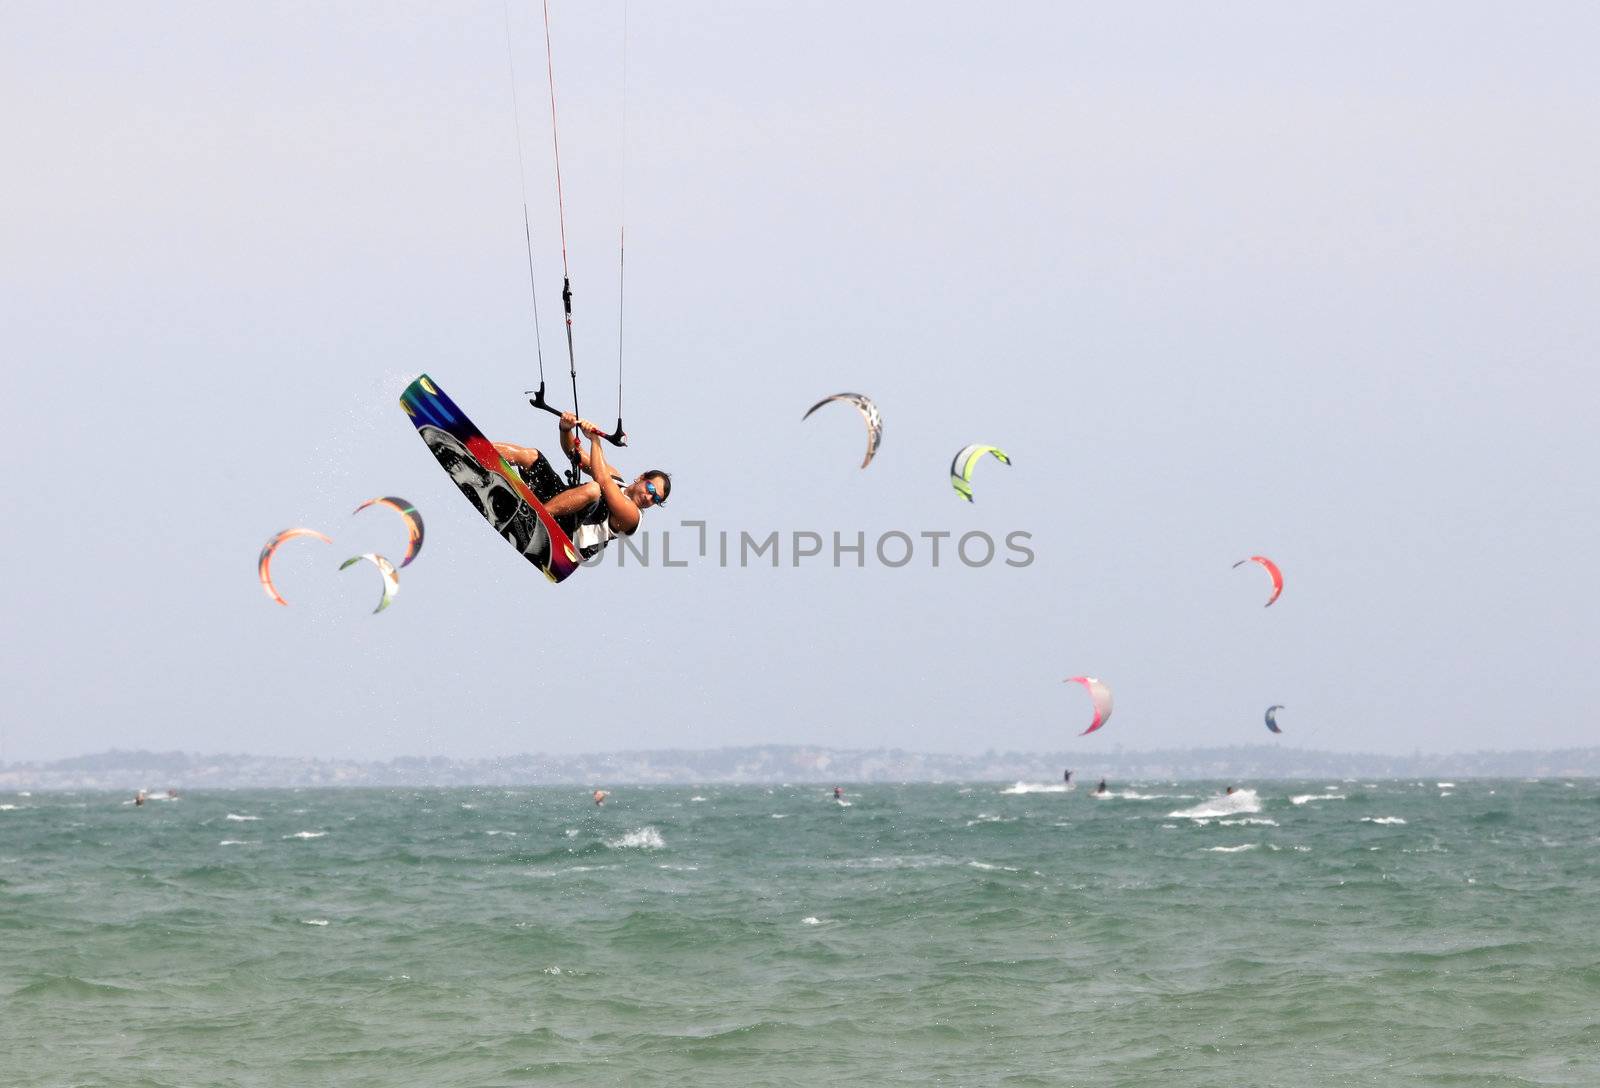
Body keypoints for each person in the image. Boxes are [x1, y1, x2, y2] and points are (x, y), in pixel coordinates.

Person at [495, 413, 671, 560]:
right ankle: (478, 450)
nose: (649, 498)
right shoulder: (615, 477)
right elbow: (574, 454)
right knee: (530, 456)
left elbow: (602, 481)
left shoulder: (632, 517)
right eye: (651, 490)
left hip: (565, 539)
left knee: (594, 489)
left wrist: (595, 439)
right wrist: (566, 429)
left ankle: (535, 519)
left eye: (655, 499)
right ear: (642, 478)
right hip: (559, 503)